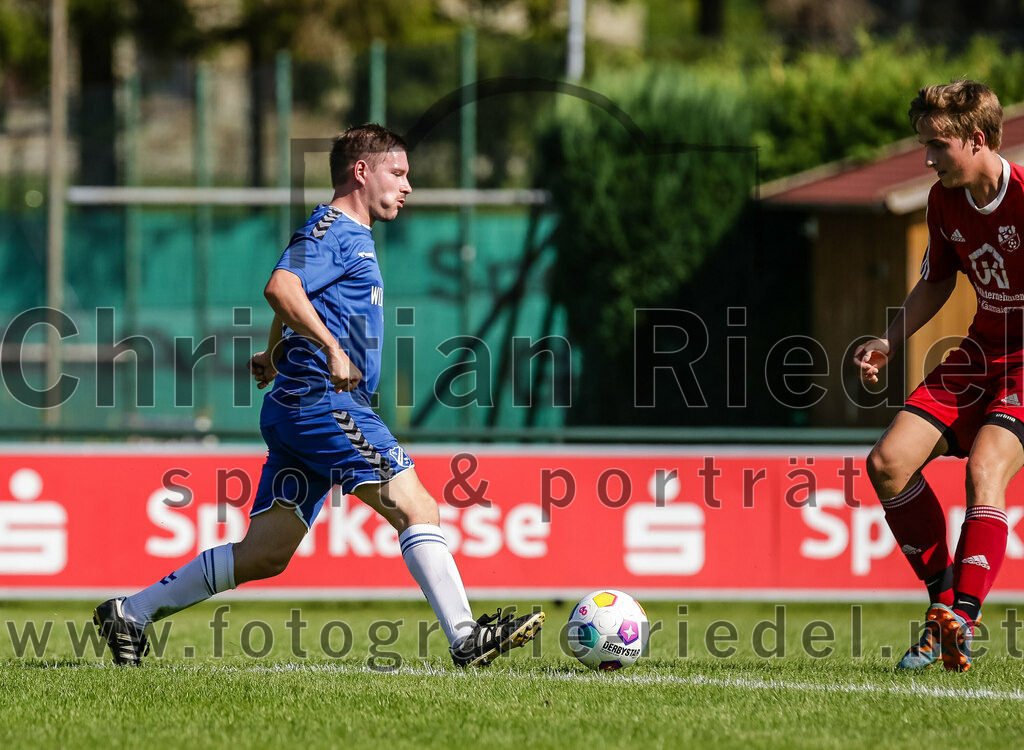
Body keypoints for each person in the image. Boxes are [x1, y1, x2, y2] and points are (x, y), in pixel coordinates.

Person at [94, 123, 545, 667]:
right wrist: (331, 348)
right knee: (418, 506)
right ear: (362, 171)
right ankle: (466, 638)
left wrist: (270, 351)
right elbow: (280, 286)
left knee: (265, 554)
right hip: (325, 404)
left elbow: (293, 291)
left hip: (296, 407)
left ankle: (131, 612)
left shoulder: (339, 231)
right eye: (398, 174)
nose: (408, 187)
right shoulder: (335, 229)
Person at [854, 80, 1020, 672]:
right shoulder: (942, 199)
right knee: (887, 464)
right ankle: (942, 609)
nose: (926, 158)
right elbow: (936, 280)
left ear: (977, 140)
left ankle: (963, 621)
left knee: (985, 470)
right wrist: (888, 342)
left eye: (937, 146)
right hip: (979, 355)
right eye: (923, 144)